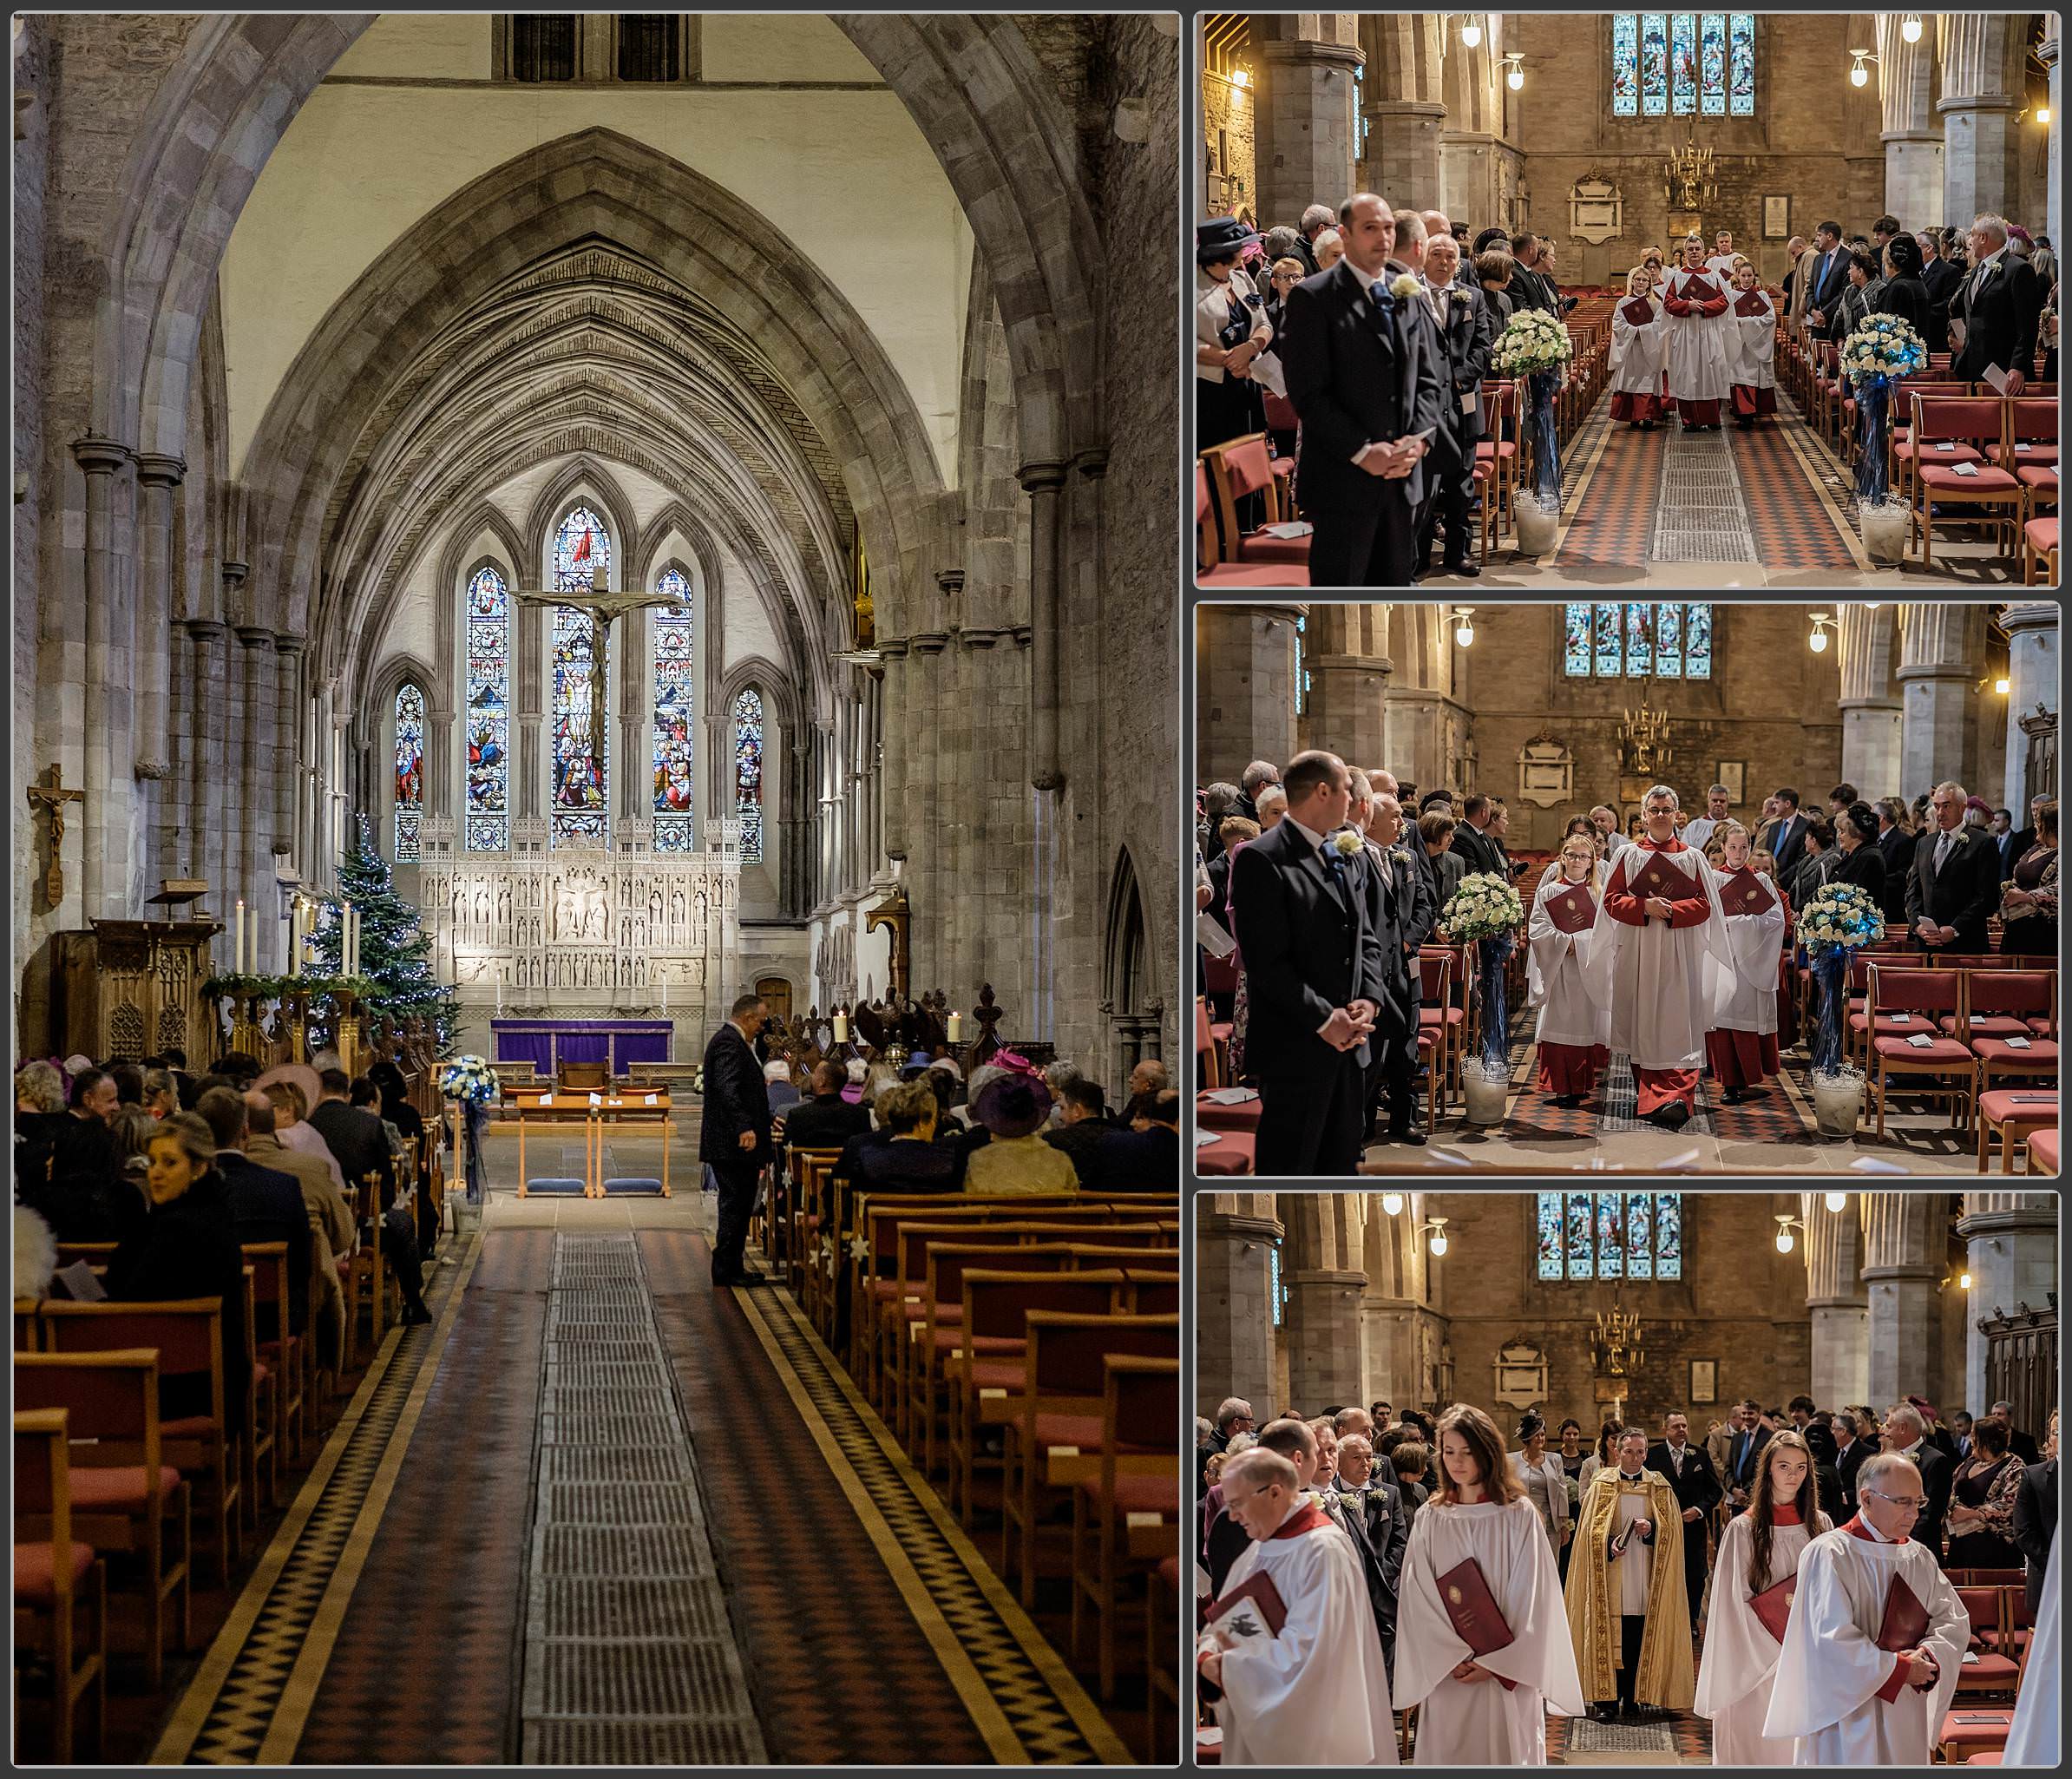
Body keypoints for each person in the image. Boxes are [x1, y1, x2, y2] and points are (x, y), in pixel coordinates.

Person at [1393, 1402, 1584, 1763]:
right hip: (1449, 1671)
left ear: (1487, 1451)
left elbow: (1532, 1595)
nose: (1457, 1461)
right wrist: (1451, 1655)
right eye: (1449, 1452)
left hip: (1505, 1672)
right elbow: (1417, 1595)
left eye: (1467, 1452)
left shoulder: (1518, 1514)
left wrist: (1495, 1661)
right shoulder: (1433, 1517)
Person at [1229, 751, 1385, 1175]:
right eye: (1347, 790)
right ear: (1322, 792)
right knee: (1291, 1167)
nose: (1353, 799)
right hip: (1294, 1049)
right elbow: (1266, 963)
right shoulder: (1262, 858)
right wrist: (1324, 1018)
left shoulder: (1345, 853)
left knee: (1342, 1166)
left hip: (1351, 1046)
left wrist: (1368, 1000)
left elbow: (1366, 939)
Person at [1280, 194, 1446, 588]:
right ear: (1345, 234)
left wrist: (1419, 441)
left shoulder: (1405, 289)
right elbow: (1308, 394)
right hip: (1343, 480)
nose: (1383, 237)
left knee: (1395, 585)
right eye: (1370, 228)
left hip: (1404, 478)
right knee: (1343, 585)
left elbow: (1428, 377)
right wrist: (1362, 451)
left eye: (1388, 228)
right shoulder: (1313, 297)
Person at [1762, 1448, 1968, 1761]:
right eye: (1903, 1502)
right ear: (1867, 1499)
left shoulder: (1920, 1557)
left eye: (1919, 1502)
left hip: (1904, 1707)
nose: (1914, 1513)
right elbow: (1829, 1640)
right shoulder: (1830, 1553)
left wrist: (1928, 1655)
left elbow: (1952, 1621)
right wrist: (1899, 1669)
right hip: (1846, 1714)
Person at [1198, 1446, 1398, 1766]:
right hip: (1257, 1710)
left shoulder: (1323, 1552)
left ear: (1274, 1493)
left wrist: (1225, 1668)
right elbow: (1227, 1614)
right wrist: (1208, 1648)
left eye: (1236, 1504)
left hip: (1311, 1732)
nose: (1232, 1516)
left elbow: (1311, 1652)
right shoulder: (1261, 1546)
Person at [1583, 783, 1728, 1130]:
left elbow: (1708, 906)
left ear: (1677, 815)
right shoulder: (1627, 856)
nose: (1660, 816)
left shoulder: (1692, 857)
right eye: (1654, 810)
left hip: (1681, 954)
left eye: (1666, 810)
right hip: (1640, 951)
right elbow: (1611, 901)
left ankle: (1677, 1097)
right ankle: (1652, 1096)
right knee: (1644, 1019)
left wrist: (1674, 910)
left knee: (1679, 1021)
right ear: (1644, 815)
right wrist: (1645, 906)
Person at [104, 1111, 251, 1435]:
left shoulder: (182, 1229)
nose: (155, 1173)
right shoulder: (198, 1213)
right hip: (197, 1378)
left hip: (188, 1384)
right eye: (152, 1162)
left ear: (198, 1168)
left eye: (169, 1163)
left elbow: (128, 1295)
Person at [1695, 1429, 1832, 1763]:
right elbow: (1732, 1604)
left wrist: (1808, 1646)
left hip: (1806, 1660)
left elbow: (1832, 1596)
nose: (1792, 1476)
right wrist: (1778, 1651)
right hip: (1755, 1666)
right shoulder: (1744, 1530)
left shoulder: (1821, 1526)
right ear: (1768, 1468)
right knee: (1756, 1744)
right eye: (1784, 1466)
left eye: (1801, 1468)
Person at [1566, 1426, 1694, 1722]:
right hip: (1611, 1575)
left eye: (1640, 1452)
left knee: (1637, 1635)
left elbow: (1673, 1531)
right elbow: (1587, 1533)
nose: (1635, 1458)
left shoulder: (1659, 1487)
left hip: (1645, 1575)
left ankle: (1636, 1698)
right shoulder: (1602, 1486)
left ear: (1646, 1454)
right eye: (1629, 1451)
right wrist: (1608, 1544)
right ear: (1617, 1452)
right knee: (1612, 1634)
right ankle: (1608, 1702)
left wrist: (1653, 1530)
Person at [241, 1088, 353, 1371]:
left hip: (227, 1311)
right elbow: (343, 1236)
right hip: (294, 1303)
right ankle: (325, 1370)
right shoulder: (308, 1168)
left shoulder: (210, 1176)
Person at [197, 1084, 315, 1342]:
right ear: (245, 1131)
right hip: (273, 1318)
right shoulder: (284, 1186)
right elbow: (303, 1261)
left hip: (203, 1323)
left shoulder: (190, 1191)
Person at [1413, 230, 1492, 580]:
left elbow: (1483, 347)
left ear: (1458, 264)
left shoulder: (1472, 298)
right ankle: (1418, 555)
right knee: (1425, 484)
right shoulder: (1410, 295)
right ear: (1424, 259)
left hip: (1463, 401)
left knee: (1461, 483)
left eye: (1450, 257)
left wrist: (1458, 378)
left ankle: (1458, 554)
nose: (1443, 262)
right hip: (1424, 405)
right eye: (1437, 255)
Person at [1702, 819, 1786, 1106]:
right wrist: (1723, 925)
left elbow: (1776, 920)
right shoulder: (1713, 879)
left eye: (1744, 847)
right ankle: (1729, 1082)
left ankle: (1747, 1077)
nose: (1739, 853)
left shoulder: (1761, 881)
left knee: (1744, 1021)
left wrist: (1739, 924)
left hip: (1750, 961)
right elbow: (1703, 919)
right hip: (1722, 960)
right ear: (1723, 848)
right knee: (1722, 1020)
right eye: (1733, 847)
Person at [1527, 833, 1611, 1108]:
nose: (1577, 860)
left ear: (1591, 862)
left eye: (1583, 856)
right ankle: (1562, 1088)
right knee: (1559, 1024)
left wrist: (1580, 941)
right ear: (1562, 858)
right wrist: (1564, 942)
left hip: (1586, 970)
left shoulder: (1598, 893)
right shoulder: (1548, 891)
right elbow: (1538, 929)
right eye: (1572, 855)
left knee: (1583, 1026)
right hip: (1559, 969)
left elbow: (1607, 933)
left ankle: (1579, 1085)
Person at [700, 991, 774, 1287]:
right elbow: (728, 1088)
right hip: (732, 1144)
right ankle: (726, 1269)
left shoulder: (734, 1042)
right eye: (761, 1021)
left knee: (741, 1204)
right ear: (747, 1018)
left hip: (734, 1144)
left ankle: (732, 1265)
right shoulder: (729, 1043)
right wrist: (745, 1126)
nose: (763, 1027)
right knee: (735, 1205)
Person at [1197, 216, 1273, 456]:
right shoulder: (1191, 287)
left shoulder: (1241, 279)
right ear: (1224, 252)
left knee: (1251, 457)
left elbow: (1264, 323)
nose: (1245, 250)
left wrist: (1250, 348)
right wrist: (1230, 359)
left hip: (1248, 380)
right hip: (1213, 389)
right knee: (1221, 459)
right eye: (1240, 245)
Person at [1648, 1410, 1725, 1638]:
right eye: (1676, 1427)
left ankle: (1691, 1619)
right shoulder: (1653, 1456)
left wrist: (1699, 1509)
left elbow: (1715, 1490)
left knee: (1695, 1574)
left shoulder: (1699, 1455)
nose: (1681, 1430)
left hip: (1693, 1526)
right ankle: (1664, 1619)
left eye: (1684, 1426)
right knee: (1663, 1570)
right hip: (1663, 1525)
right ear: (1665, 1429)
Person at [1905, 779, 2001, 955]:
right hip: (1926, 944)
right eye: (1937, 806)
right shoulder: (1924, 844)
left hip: (1965, 944)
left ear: (1962, 808)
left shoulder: (1983, 843)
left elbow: (1986, 896)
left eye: (1946, 806)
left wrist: (1955, 928)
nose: (1940, 813)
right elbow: (1913, 891)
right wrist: (1917, 926)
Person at [1950, 213, 2042, 394]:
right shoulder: (1977, 270)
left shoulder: (2018, 269)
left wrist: (2018, 366)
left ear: (1983, 237)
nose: (1970, 240)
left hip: (2003, 369)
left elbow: (2028, 324)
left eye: (1972, 234)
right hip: (1972, 367)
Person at [962, 1070, 1078, 1193]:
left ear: (997, 1118)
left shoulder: (980, 1160)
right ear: (1033, 1118)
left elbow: (972, 1200)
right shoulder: (1059, 1160)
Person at [1661, 235, 1732, 430]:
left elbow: (1724, 301)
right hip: (1685, 332)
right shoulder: (1676, 277)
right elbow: (1668, 303)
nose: (1694, 252)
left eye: (1697, 248)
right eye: (1690, 249)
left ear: (1703, 252)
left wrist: (1704, 307)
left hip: (1709, 331)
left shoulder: (1714, 275)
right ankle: (1689, 420)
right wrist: (1687, 304)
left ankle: (1712, 419)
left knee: (1711, 371)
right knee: (1687, 372)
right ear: (1685, 253)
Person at [1945, 1414, 2025, 1570]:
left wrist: (1970, 1514)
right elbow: (1953, 1486)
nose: (1971, 1441)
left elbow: (2010, 1504)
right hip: (1961, 1541)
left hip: (1993, 1547)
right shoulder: (1971, 1461)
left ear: (1987, 1441)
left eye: (1975, 1437)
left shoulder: (2014, 1466)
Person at [1879, 1401, 1953, 1559]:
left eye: (1889, 1426)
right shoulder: (1890, 1458)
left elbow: (1931, 1513)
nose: (1886, 1432)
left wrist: (1902, 1540)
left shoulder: (1935, 1461)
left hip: (1919, 1549)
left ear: (1903, 1428)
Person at [1510, 1411, 1573, 1566]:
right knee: (1525, 1565)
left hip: (1551, 1524)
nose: (1540, 1438)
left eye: (1543, 1434)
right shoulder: (1511, 1460)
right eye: (1536, 1435)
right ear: (1527, 1437)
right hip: (1522, 1522)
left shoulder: (1555, 1459)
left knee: (1550, 1565)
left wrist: (1564, 1525)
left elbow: (1561, 1491)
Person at [1608, 266, 1667, 430]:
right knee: (1631, 378)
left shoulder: (1655, 303)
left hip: (1648, 349)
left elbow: (1660, 325)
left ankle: (1647, 415)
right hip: (1631, 348)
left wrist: (1642, 331)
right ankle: (1632, 415)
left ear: (1649, 284)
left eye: (1644, 280)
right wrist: (1635, 331)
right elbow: (1617, 325)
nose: (1641, 282)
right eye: (1638, 279)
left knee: (1647, 379)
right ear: (1632, 282)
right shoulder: (1623, 302)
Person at [2011, 1408, 2056, 1618]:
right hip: (2048, 1580)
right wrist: (2056, 1566)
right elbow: (2024, 1531)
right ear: (2049, 1438)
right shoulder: (2034, 1476)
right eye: (2057, 1431)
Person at [2000, 798, 2057, 958]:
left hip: (2044, 931)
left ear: (2051, 826)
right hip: (2017, 926)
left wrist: (2024, 897)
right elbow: (2016, 875)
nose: (2035, 825)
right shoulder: (2034, 849)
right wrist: (2010, 889)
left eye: (2039, 822)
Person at [1724, 261, 1777, 425]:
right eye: (1743, 275)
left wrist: (1746, 322)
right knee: (1739, 375)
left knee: (1754, 374)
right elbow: (1726, 319)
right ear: (1737, 275)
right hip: (1739, 343)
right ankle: (1742, 410)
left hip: (1756, 343)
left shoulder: (1762, 296)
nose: (1747, 279)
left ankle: (1754, 408)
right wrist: (1739, 323)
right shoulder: (1731, 295)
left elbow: (1770, 319)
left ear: (1754, 276)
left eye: (1749, 275)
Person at [783, 1060, 875, 1153]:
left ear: (822, 1081)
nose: (812, 1077)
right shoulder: (860, 1114)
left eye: (814, 1074)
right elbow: (867, 1151)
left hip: (807, 1167)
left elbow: (787, 1152)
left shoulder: (798, 1115)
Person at [1580, 1418, 1624, 1493]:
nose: (1617, 1442)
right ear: (1604, 1439)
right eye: (1613, 1438)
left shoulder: (1626, 1463)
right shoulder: (1589, 1463)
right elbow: (1582, 1495)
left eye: (1620, 1439)